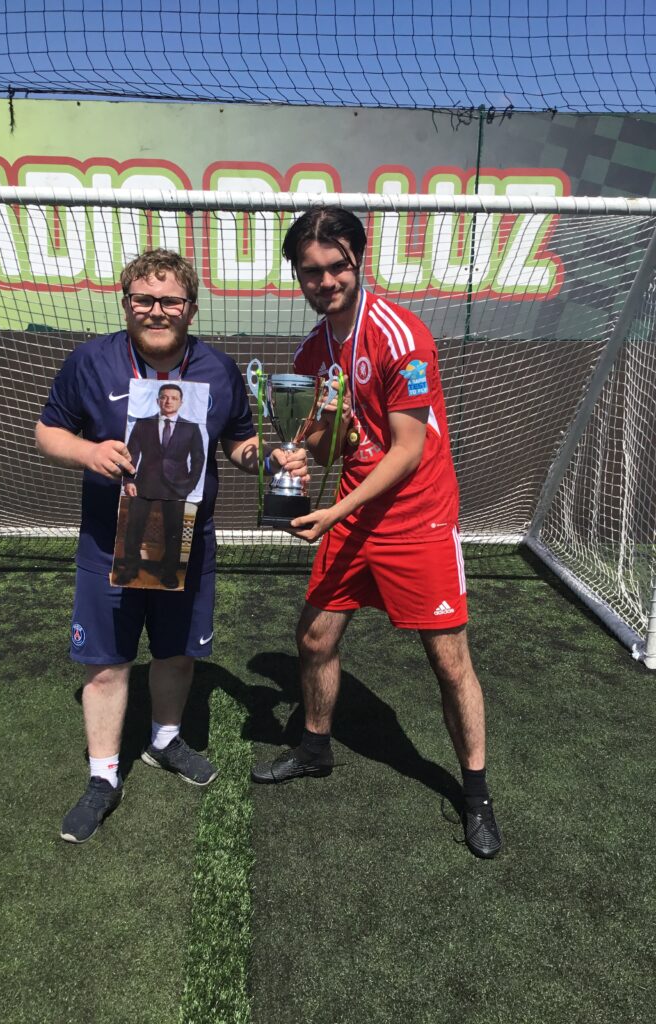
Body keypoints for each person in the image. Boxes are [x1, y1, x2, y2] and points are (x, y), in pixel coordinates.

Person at [250, 206, 502, 859]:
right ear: (298, 276)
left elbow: (407, 450)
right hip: (356, 510)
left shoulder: (403, 335)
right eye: (312, 271)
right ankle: (313, 747)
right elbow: (333, 443)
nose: (326, 280)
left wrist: (332, 511)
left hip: (416, 517)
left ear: (359, 262)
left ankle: (474, 793)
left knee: (448, 663)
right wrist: (302, 448)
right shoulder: (315, 348)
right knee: (313, 636)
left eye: (337, 266)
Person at [36, 248, 307, 844]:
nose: (156, 311)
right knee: (106, 666)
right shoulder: (91, 361)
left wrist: (271, 458)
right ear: (126, 301)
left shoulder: (217, 369)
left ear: (190, 306)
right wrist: (88, 452)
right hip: (110, 543)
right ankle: (103, 776)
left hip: (189, 541)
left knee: (177, 654)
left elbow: (238, 443)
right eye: (144, 299)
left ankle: (164, 739)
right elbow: (47, 430)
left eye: (170, 300)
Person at [118, 383, 205, 588]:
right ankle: (130, 569)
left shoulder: (191, 428)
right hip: (144, 484)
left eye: (173, 398)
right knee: (133, 528)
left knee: (174, 532)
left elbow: (199, 459)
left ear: (181, 402)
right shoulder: (143, 423)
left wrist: (189, 485)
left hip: (177, 487)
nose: (168, 401)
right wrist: (129, 480)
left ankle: (168, 573)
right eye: (164, 397)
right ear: (158, 400)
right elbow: (132, 454)